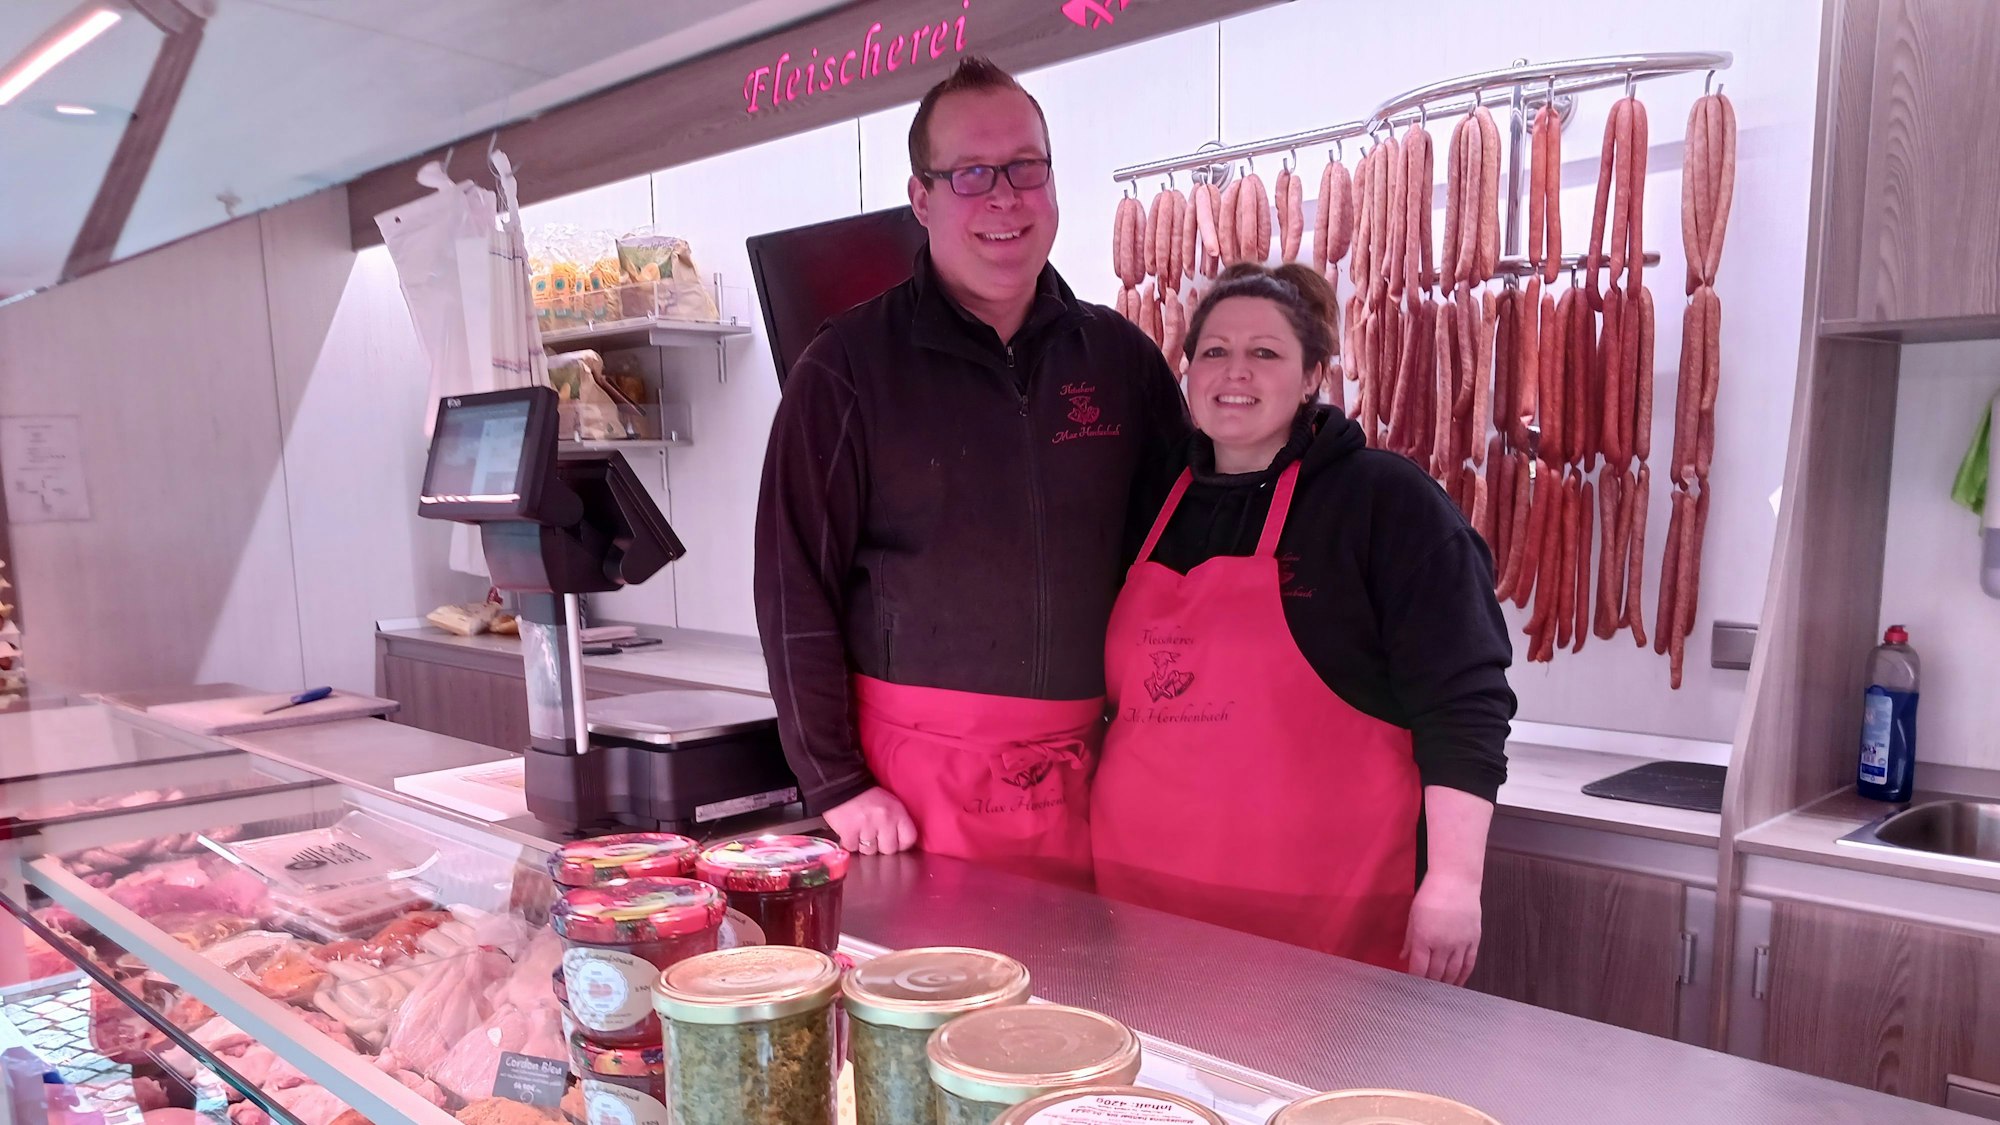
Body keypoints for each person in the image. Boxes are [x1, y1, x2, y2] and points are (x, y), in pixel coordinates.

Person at [754, 56, 1188, 881]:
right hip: (910, 801)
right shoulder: (845, 366)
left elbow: (1175, 564)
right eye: (971, 173)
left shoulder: (1121, 361)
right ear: (921, 198)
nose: (1004, 197)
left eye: (1026, 166)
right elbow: (790, 582)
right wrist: (836, 781)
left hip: (1096, 782)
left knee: (1091, 1008)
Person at [1090, 263, 1514, 984]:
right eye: (1214, 351)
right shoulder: (1151, 499)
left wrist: (1452, 882)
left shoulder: (1385, 502)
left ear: (1313, 373)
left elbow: (1464, 701)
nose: (1235, 371)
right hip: (1143, 909)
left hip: (1322, 924)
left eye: (1266, 352)